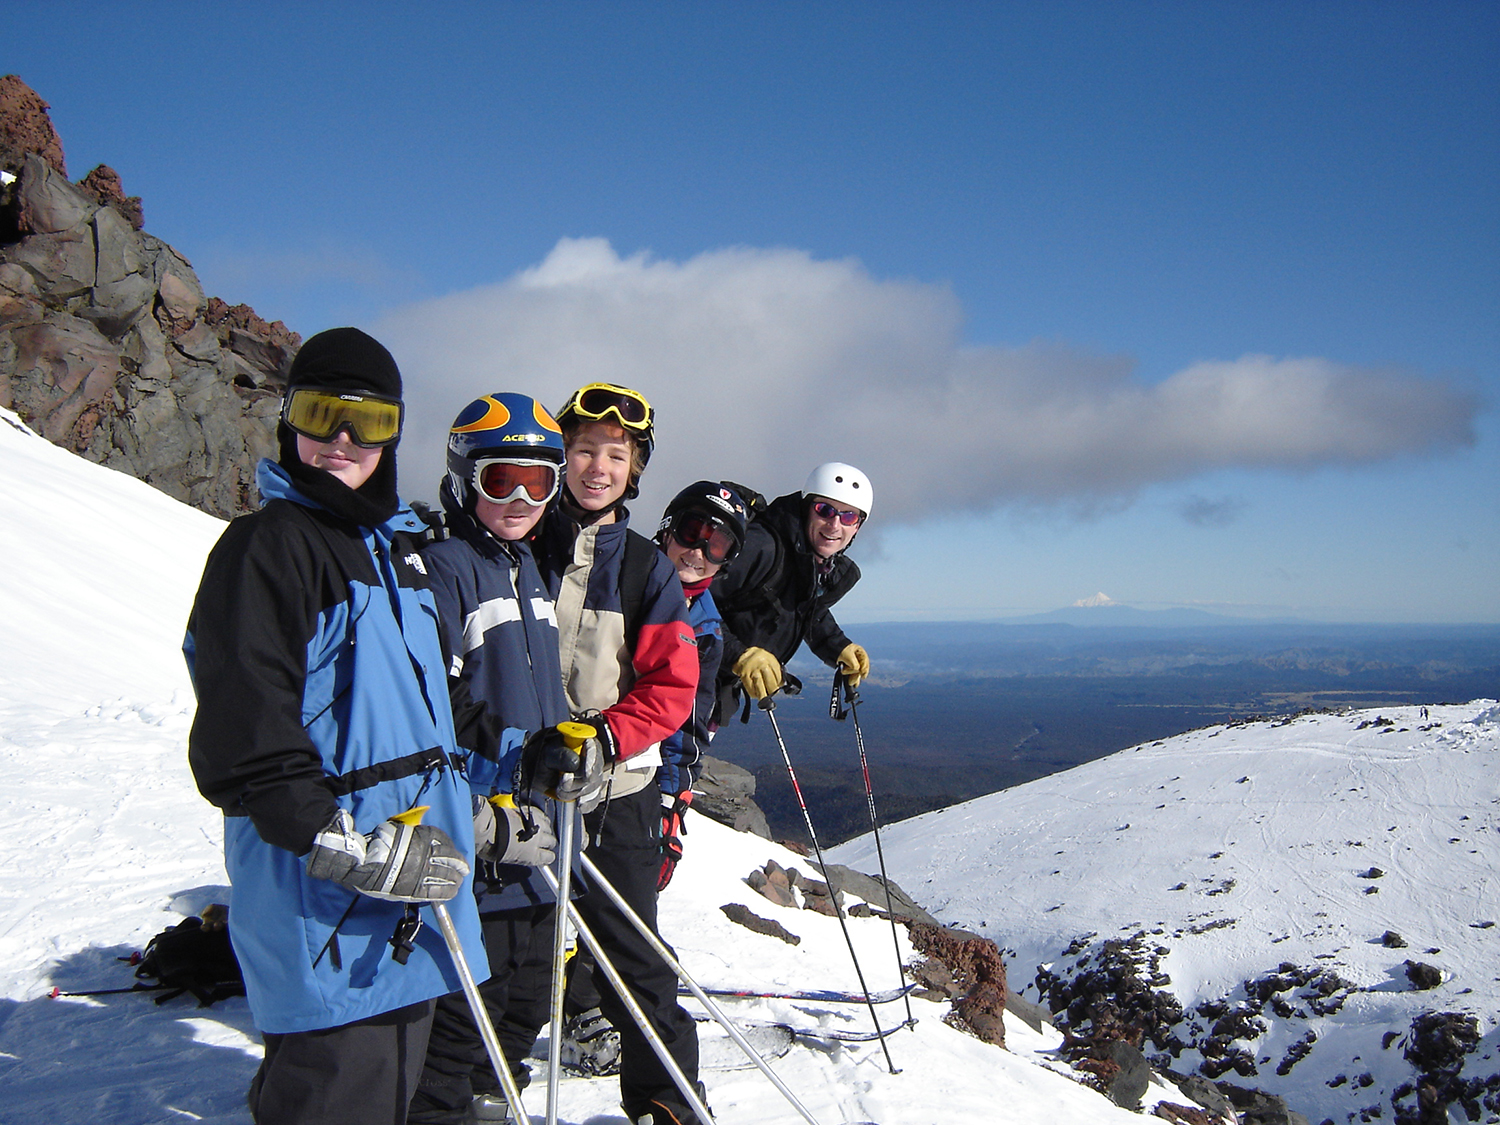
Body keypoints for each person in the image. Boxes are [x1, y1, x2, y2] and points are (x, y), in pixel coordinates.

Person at [183, 328, 491, 1125]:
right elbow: (244, 725)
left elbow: (429, 712)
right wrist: (341, 844)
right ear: (290, 420)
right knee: (336, 1092)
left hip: (419, 885)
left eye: (370, 423)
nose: (343, 442)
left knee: (391, 1086)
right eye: (323, 415)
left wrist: (507, 779)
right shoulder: (268, 548)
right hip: (331, 896)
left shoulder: (393, 553)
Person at [408, 393, 593, 1123]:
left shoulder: (527, 571)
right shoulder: (445, 569)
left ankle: (487, 1096)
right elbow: (434, 702)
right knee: (463, 1014)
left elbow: (536, 692)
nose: (520, 498)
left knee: (527, 992)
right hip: (485, 832)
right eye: (500, 479)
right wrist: (519, 756)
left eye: (540, 481)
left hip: (541, 835)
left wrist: (563, 744)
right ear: (463, 478)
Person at [533, 382, 706, 1125]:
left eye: (615, 453)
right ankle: (465, 1087)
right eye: (582, 451)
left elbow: (674, 686)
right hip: (522, 791)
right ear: (561, 457)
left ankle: (667, 1105)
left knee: (636, 960)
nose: (596, 467)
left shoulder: (646, 568)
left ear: (635, 468)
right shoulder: (521, 540)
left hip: (616, 792)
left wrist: (605, 736)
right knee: (511, 953)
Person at [711, 462, 873, 718]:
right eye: (825, 510)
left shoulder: (807, 561)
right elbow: (687, 599)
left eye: (849, 516)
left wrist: (837, 646)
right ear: (806, 508)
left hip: (717, 684)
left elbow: (800, 609)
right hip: (681, 677)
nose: (835, 524)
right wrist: (737, 654)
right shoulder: (761, 547)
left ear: (857, 527)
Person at [653, 481, 749, 891]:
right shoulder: (623, 581)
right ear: (668, 529)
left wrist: (673, 801)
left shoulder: (707, 629)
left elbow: (689, 722)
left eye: (717, 545)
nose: (698, 552)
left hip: (642, 776)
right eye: (692, 532)